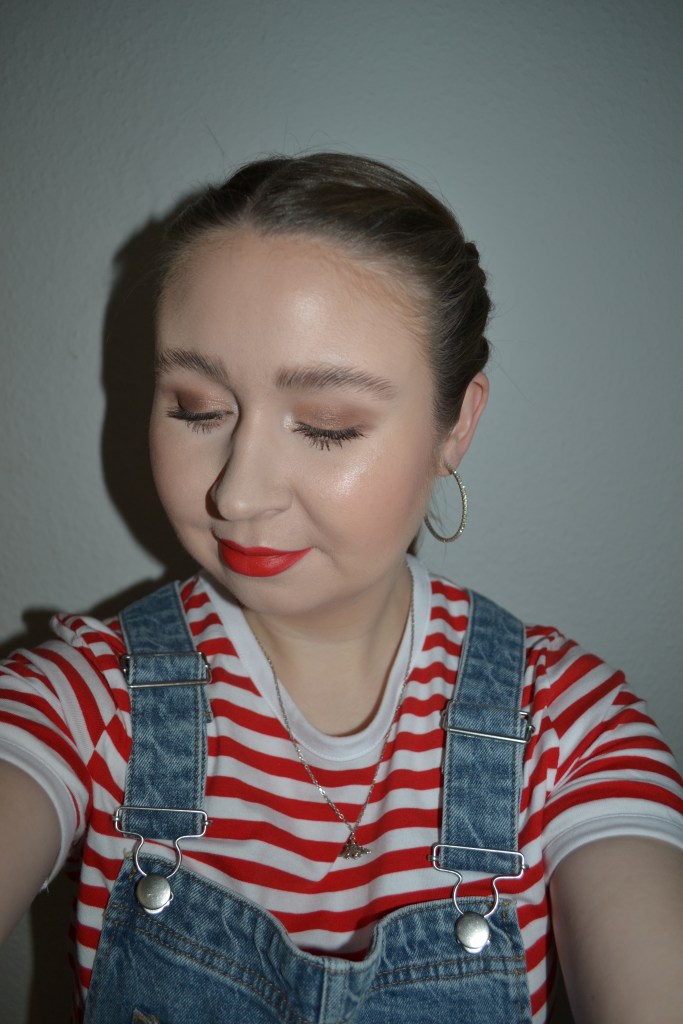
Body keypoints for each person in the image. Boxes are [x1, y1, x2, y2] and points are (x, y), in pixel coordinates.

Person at [1, 153, 682, 1024]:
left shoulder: (570, 732)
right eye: (196, 407)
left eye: (327, 427)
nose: (237, 494)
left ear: (455, 425)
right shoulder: (87, 702)